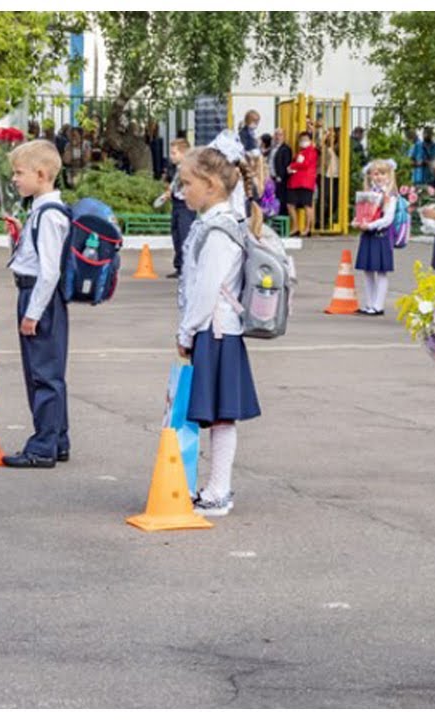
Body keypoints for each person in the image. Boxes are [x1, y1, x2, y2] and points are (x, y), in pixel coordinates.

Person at [175, 135, 263, 516]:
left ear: (210, 186)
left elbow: (207, 288)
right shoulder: (220, 223)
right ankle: (212, 487)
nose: (182, 191)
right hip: (217, 329)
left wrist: (186, 330)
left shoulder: (218, 230)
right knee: (215, 412)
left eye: (187, 183)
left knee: (220, 414)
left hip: (215, 330)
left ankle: (218, 490)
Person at [2, 140, 71, 468]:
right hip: (34, 294)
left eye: (19, 173)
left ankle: (43, 446)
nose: (14, 179)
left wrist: (32, 313)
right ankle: (57, 438)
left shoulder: (49, 215)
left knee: (43, 373)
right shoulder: (40, 210)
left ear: (41, 174)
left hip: (39, 297)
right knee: (47, 370)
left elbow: (49, 271)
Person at [352, 159, 400, 316]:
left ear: (389, 175)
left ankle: (378, 306)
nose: (379, 177)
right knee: (367, 269)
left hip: (381, 234)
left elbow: (388, 218)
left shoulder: (390, 195)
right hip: (368, 233)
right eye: (375, 173)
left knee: (381, 271)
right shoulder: (369, 193)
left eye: (382, 173)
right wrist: (357, 221)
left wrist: (371, 225)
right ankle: (369, 303)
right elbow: (362, 212)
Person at [158, 138, 195, 279]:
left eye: (174, 153)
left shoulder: (189, 168)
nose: (171, 156)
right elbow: (173, 184)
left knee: (184, 235)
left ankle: (186, 267)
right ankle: (179, 266)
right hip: (176, 203)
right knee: (177, 235)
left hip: (186, 205)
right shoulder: (176, 168)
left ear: (183, 153)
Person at [286, 130, 318, 237]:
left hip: (305, 182)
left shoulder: (311, 151)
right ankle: (295, 227)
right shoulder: (300, 152)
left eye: (305, 139)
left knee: (307, 205)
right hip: (295, 182)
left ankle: (307, 228)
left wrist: (292, 166)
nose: (303, 141)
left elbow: (305, 164)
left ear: (310, 140)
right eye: (301, 140)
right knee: (290, 204)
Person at [316, 128, 340, 231]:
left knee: (334, 201)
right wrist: (324, 136)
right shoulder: (324, 147)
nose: (331, 137)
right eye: (330, 136)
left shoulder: (337, 148)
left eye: (333, 136)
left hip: (336, 176)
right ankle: (320, 221)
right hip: (325, 175)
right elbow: (318, 145)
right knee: (324, 199)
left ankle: (327, 220)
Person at [269, 128, 293, 223]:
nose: (277, 137)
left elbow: (286, 164)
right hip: (272, 178)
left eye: (280, 134)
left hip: (280, 179)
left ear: (284, 136)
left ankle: (281, 220)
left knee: (281, 200)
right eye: (276, 134)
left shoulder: (286, 149)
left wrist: (281, 176)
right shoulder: (273, 148)